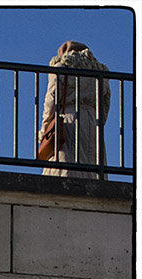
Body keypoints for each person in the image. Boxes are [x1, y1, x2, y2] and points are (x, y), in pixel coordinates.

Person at [39, 41, 110, 178]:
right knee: (92, 168)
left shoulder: (60, 68)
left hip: (68, 119)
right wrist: (97, 123)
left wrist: (45, 128)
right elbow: (105, 106)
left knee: (65, 165)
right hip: (92, 121)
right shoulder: (100, 75)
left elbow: (51, 101)